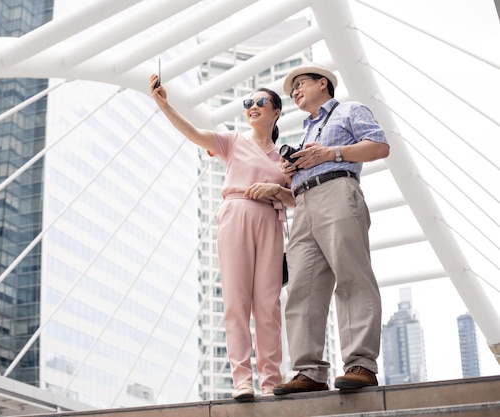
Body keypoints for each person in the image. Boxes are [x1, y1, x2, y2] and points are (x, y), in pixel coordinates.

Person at [149, 74, 290, 399]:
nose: (252, 107)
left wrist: (276, 190)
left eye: (260, 102)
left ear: (276, 112)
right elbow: (194, 134)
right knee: (235, 301)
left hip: (270, 220)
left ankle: (270, 382)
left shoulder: (285, 157)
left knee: (268, 306)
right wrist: (165, 106)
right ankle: (242, 381)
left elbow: (298, 199)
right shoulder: (233, 141)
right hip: (236, 214)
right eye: (248, 103)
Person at [272, 63, 390, 395]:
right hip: (304, 203)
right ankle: (309, 371)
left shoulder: (349, 110)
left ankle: (361, 364)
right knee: (301, 289)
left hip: (338, 192)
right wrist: (289, 172)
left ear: (322, 83)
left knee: (352, 275)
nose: (294, 91)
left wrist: (331, 153)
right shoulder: (308, 130)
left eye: (300, 84)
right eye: (292, 89)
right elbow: (308, 168)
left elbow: (379, 146)